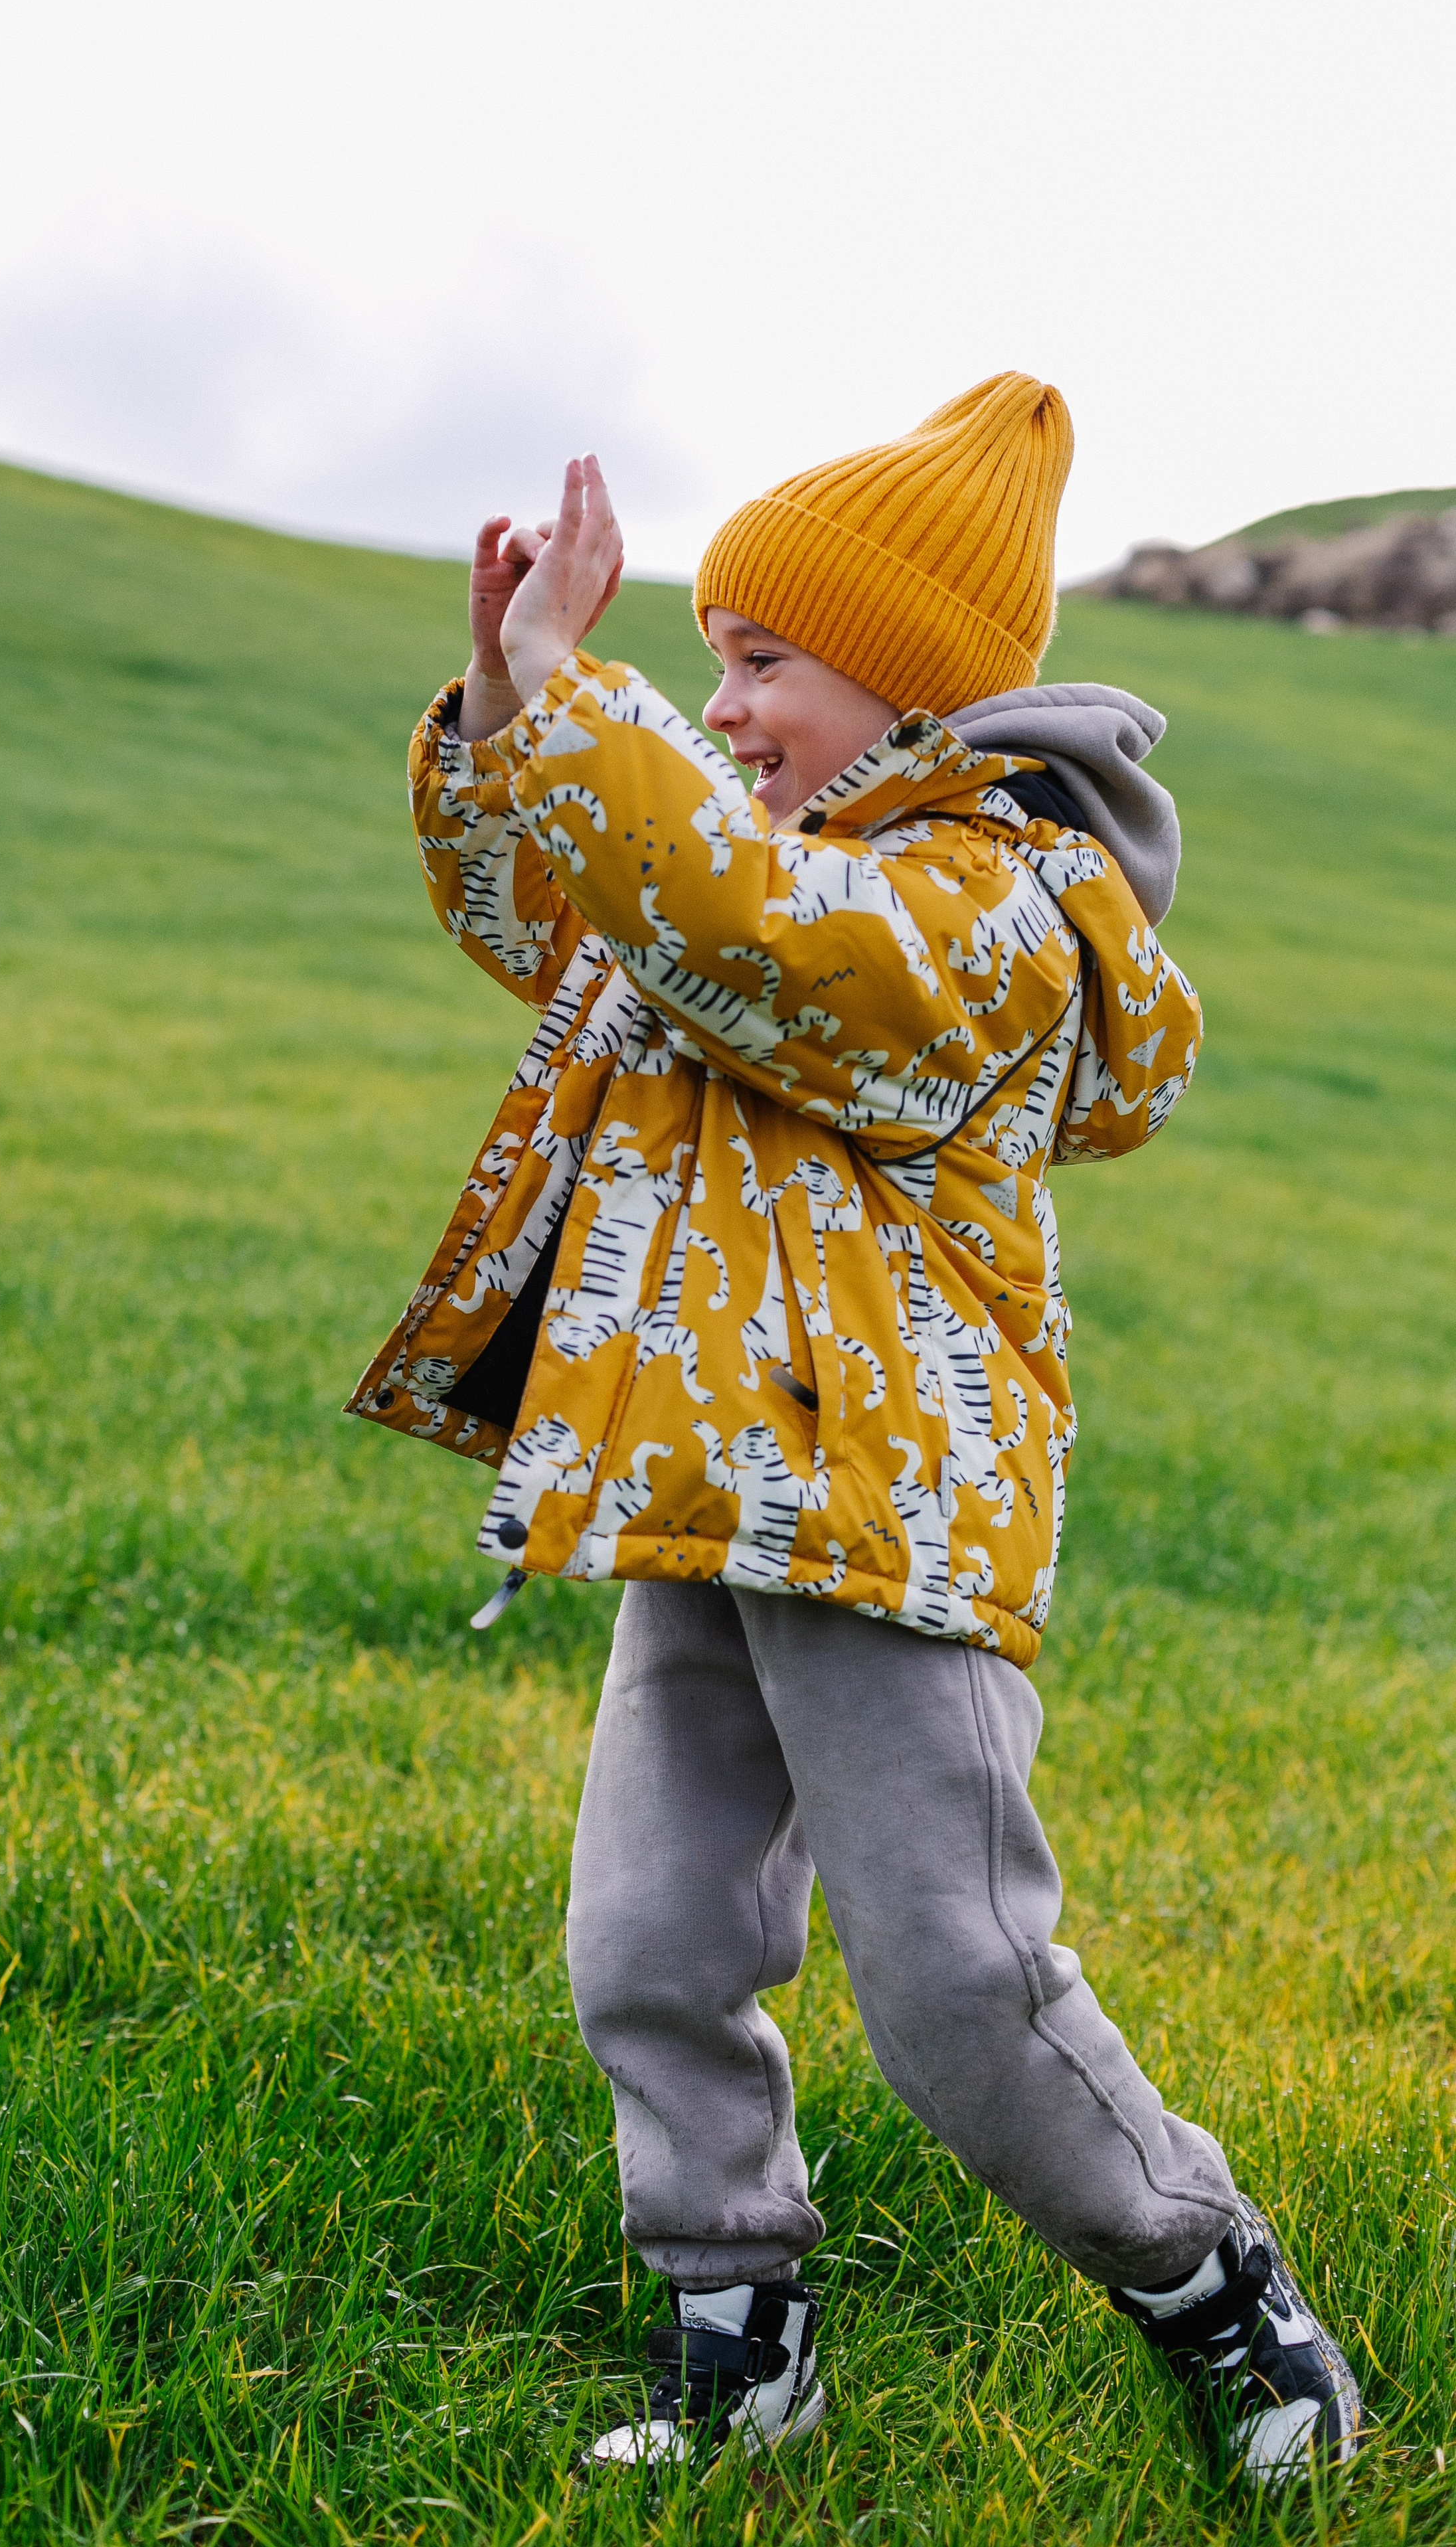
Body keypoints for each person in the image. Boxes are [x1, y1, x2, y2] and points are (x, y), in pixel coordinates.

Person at [348, 376, 1361, 2486]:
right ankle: (743, 2343)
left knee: (957, 1985)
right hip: (710, 1493)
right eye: (709, 661)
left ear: (906, 690)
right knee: (648, 1942)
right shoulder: (758, 865)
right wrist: (498, 715)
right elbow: (570, 915)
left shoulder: (985, 914)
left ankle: (1226, 2301)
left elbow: (753, 934)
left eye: (758, 662)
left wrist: (592, 711)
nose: (719, 706)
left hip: (889, 1528)